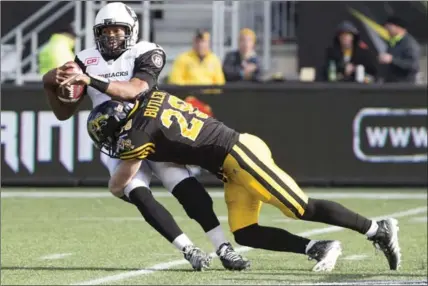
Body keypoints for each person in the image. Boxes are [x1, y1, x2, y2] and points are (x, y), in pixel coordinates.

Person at [84, 91, 402, 272]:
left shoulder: (135, 135)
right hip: (229, 166)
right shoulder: (151, 98)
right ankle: (318, 247)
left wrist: (117, 182)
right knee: (245, 233)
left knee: (301, 208)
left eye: (109, 137)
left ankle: (377, 228)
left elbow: (119, 183)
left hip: (239, 154)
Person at [41, 2, 249, 271]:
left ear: (132, 30)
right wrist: (50, 83)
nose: (112, 35)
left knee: (186, 189)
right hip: (115, 140)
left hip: (151, 132)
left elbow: (135, 90)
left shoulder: (146, 51)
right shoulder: (84, 59)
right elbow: (63, 113)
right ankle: (189, 249)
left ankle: (224, 247)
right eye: (105, 30)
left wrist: (90, 80)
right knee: (138, 193)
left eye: (118, 29)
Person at [378, 16, 420, 83]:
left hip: (404, 86)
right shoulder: (392, 42)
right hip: (390, 84)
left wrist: (392, 60)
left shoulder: (409, 43)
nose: (386, 29)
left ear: (398, 27)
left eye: (389, 27)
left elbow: (413, 65)